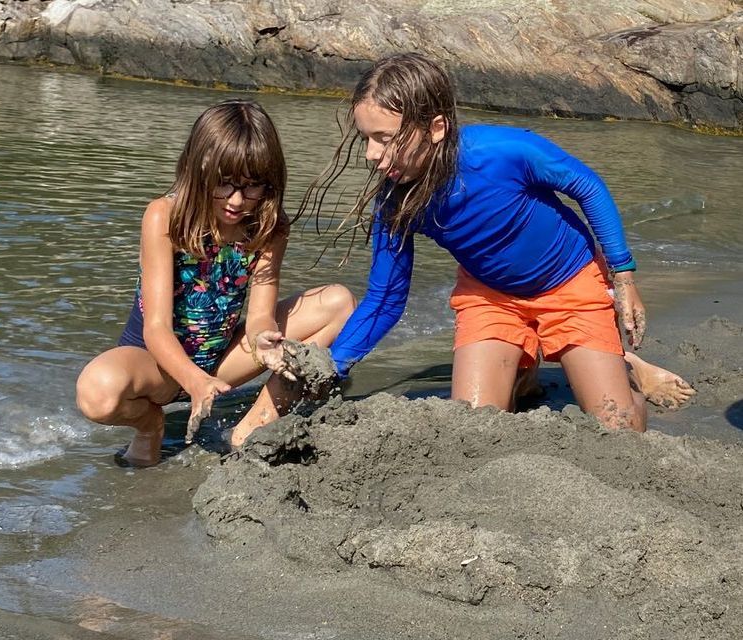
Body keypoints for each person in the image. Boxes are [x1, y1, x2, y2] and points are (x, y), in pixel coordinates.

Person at [300, 52, 693, 432]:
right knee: (472, 425)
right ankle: (526, 366)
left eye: (385, 139)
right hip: (490, 297)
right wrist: (332, 366)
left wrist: (623, 279)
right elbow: (386, 298)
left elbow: (588, 187)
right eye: (367, 139)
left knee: (616, 425)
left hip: (571, 283)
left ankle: (625, 370)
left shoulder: (505, 152)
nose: (371, 155)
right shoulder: (394, 201)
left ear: (436, 129)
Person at [76, 99, 356, 466]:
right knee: (96, 392)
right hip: (157, 364)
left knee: (339, 302)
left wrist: (262, 340)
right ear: (198, 170)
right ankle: (149, 426)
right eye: (224, 184)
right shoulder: (165, 217)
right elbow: (156, 327)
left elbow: (259, 314)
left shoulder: (269, 226)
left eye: (253, 187)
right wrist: (193, 381)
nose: (237, 201)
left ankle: (255, 425)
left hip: (222, 360)